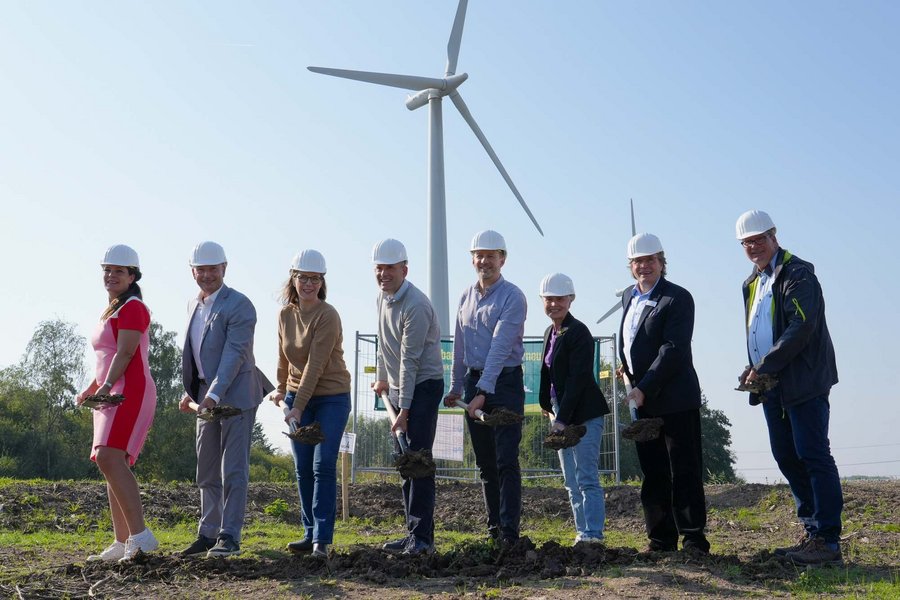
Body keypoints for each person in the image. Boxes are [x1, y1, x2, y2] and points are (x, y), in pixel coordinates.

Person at [735, 210, 842, 566]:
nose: (753, 247)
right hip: (771, 385)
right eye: (746, 243)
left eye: (758, 240)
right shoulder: (753, 282)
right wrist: (754, 365)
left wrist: (765, 364)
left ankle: (828, 540)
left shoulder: (798, 273)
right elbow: (761, 329)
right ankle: (812, 532)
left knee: (813, 454)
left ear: (774, 236)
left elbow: (801, 325)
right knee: (786, 455)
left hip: (804, 381)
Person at [617, 233, 710, 554]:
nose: (644, 266)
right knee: (653, 472)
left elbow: (673, 349)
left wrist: (644, 386)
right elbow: (634, 340)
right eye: (638, 261)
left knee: (684, 469)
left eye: (650, 260)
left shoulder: (677, 298)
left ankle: (694, 539)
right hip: (642, 402)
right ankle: (661, 540)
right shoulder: (629, 296)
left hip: (674, 400)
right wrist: (627, 367)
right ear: (631, 265)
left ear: (661, 262)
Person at [178, 241, 270, 558]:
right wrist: (193, 391)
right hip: (205, 397)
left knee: (232, 469)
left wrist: (214, 395)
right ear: (192, 271)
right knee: (206, 467)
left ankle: (229, 535)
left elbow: (233, 354)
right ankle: (208, 532)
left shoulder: (240, 305)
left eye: (212, 269)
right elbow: (198, 354)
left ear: (224, 268)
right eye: (200, 270)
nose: (207, 275)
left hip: (237, 397)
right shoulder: (193, 305)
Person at [444, 230, 526, 544]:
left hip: (504, 383)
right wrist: (456, 387)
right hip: (474, 381)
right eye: (479, 255)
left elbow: (500, 347)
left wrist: (482, 393)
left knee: (506, 460)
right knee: (486, 463)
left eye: (491, 256)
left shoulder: (513, 297)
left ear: (502, 259)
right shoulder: (465, 297)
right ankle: (494, 529)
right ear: (472, 260)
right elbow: (459, 347)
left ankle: (510, 533)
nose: (484, 261)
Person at [77, 244, 158, 562]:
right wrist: (92, 388)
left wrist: (107, 386)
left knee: (110, 457)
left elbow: (125, 353)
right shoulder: (111, 309)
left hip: (129, 391)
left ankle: (141, 537)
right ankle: (122, 540)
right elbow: (107, 356)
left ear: (132, 276)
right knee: (109, 461)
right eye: (107, 270)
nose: (111, 275)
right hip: (109, 392)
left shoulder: (134, 307)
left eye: (119, 271)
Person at [270, 249, 351, 559]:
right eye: (303, 277)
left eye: (315, 279)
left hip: (331, 397)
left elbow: (316, 366)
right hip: (296, 397)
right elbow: (283, 357)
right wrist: (281, 390)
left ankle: (322, 539)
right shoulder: (284, 315)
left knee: (323, 464)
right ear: (293, 278)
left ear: (322, 282)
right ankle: (308, 533)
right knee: (303, 467)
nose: (308, 284)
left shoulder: (328, 315)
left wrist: (298, 407)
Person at [370, 239, 444, 556]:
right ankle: (412, 533)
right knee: (405, 461)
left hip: (424, 386)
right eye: (379, 268)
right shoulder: (382, 297)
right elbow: (384, 342)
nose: (384, 274)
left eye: (390, 268)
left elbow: (410, 360)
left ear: (405, 269)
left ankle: (422, 539)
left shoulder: (416, 305)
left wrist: (405, 410)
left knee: (418, 461)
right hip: (402, 388)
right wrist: (382, 378)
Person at [537, 273, 610, 545]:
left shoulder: (579, 332)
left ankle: (594, 535)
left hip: (584, 413)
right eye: (549, 299)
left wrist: (562, 419)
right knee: (570, 479)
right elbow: (549, 375)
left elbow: (577, 379)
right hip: (561, 411)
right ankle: (582, 534)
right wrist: (548, 406)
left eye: (559, 299)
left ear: (571, 300)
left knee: (586, 476)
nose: (554, 304)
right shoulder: (549, 333)